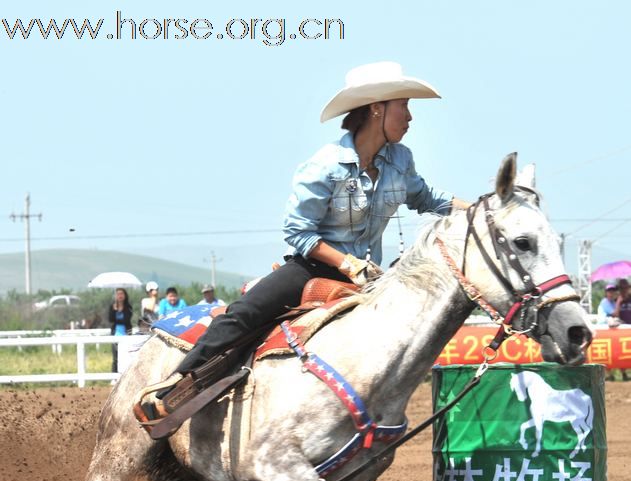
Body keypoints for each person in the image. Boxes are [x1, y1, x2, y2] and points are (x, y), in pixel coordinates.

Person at [143, 61, 469, 406]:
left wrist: (483, 210)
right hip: (313, 269)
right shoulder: (325, 165)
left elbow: (429, 199)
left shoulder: (400, 161)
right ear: (377, 109)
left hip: (371, 279)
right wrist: (346, 263)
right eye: (403, 105)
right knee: (244, 315)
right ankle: (171, 387)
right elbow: (298, 232)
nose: (410, 116)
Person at [108, 287, 133, 372]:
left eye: (122, 294)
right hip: (115, 332)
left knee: (126, 356)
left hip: (125, 332)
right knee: (115, 356)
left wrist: (120, 313)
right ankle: (114, 375)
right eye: (118, 294)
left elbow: (126, 320)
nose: (120, 296)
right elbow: (110, 319)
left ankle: (125, 373)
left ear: (125, 295)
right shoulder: (112, 307)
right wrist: (115, 311)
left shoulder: (128, 307)